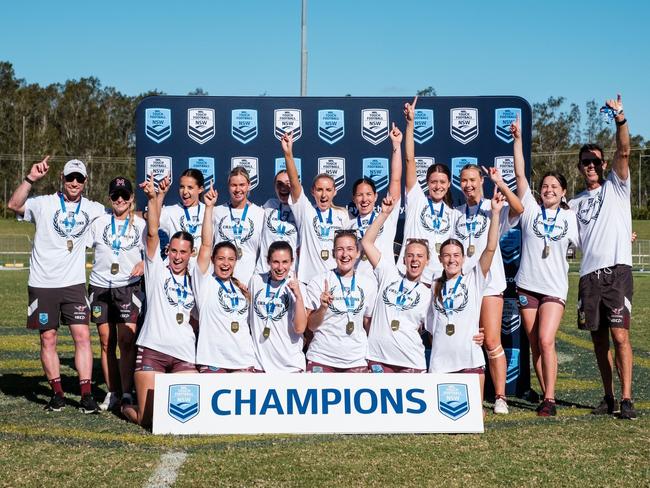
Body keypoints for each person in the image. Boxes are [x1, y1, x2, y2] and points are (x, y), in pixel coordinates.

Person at [8, 157, 105, 413]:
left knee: (82, 336)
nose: (74, 182)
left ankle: (85, 395)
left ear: (85, 182)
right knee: (48, 339)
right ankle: (58, 394)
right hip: (42, 284)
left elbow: (121, 214)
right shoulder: (44, 204)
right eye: (70, 177)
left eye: (79, 179)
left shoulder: (93, 209)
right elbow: (13, 204)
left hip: (73, 284)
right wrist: (30, 179)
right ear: (62, 179)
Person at [568, 94, 636, 420]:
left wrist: (619, 117)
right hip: (588, 276)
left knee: (620, 335)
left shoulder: (617, 186)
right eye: (585, 162)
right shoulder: (575, 203)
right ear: (580, 167)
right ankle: (608, 397)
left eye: (595, 161)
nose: (590, 166)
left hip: (617, 271)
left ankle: (626, 399)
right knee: (598, 342)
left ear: (604, 164)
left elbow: (625, 149)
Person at [510, 117, 579, 416]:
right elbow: (520, 174)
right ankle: (545, 394)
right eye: (545, 186)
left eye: (555, 186)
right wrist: (517, 140)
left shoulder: (571, 218)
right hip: (527, 284)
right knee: (535, 344)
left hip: (553, 288)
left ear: (564, 192)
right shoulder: (530, 211)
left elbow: (583, 245)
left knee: (546, 339)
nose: (549, 189)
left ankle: (549, 398)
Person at [122, 175, 197, 428]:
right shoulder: (157, 268)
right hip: (152, 351)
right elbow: (153, 232)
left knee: (186, 417)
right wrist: (153, 199)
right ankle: (127, 408)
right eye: (173, 250)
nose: (177, 256)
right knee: (150, 420)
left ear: (191, 254)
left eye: (183, 252)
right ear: (168, 251)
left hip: (184, 354)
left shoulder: (197, 277)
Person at [453, 163, 523, 414]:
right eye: (464, 180)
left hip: (490, 284)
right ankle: (473, 397)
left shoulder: (494, 207)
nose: (468, 185)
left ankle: (501, 397)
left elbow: (519, 208)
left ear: (481, 181)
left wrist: (501, 184)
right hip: (463, 286)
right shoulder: (456, 213)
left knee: (492, 341)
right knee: (468, 342)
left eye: (473, 180)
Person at [428, 190, 506, 401]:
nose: (452, 260)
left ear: (463, 259)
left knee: (474, 413)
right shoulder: (435, 284)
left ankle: (500, 397)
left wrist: (496, 214)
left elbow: (490, 249)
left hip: (469, 359)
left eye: (456, 256)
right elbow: (429, 324)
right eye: (447, 256)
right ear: (440, 259)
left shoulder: (473, 279)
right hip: (440, 363)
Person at [88, 177, 146, 411]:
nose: (119, 199)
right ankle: (112, 393)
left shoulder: (140, 225)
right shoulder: (99, 222)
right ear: (109, 198)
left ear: (131, 198)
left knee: (127, 341)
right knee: (106, 342)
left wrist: (143, 262)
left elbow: (155, 250)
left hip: (128, 287)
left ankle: (127, 393)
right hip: (100, 286)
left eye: (124, 195)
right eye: (115, 195)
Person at [360, 195, 431, 372]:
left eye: (420, 256)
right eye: (410, 255)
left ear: (427, 261)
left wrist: (472, 336)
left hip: (411, 362)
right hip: (378, 359)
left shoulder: (429, 294)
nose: (415, 260)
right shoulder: (389, 273)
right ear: (404, 259)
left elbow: (439, 330)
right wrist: (384, 214)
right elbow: (367, 243)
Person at [194, 183, 256, 373]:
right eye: (220, 258)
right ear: (212, 260)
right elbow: (205, 244)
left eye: (230, 259)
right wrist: (209, 208)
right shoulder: (204, 282)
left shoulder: (241, 288)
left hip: (243, 361)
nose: (225, 263)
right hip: (213, 360)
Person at [399, 96, 458, 284]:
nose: (438, 186)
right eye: (433, 182)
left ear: (449, 184)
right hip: (411, 277)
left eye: (442, 182)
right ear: (426, 183)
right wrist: (410, 124)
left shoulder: (454, 215)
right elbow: (409, 160)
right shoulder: (417, 199)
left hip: (440, 280)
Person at [305, 230, 378, 372]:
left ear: (358, 253)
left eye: (350, 249)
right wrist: (323, 308)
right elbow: (311, 326)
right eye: (340, 250)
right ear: (333, 253)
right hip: (322, 357)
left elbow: (368, 324)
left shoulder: (368, 284)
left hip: (356, 359)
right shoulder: (319, 281)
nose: (345, 255)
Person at [282, 131, 348, 284]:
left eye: (328, 190)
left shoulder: (343, 216)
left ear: (335, 192)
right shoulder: (306, 211)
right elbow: (294, 184)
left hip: (334, 282)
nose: (324, 195)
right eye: (319, 190)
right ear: (312, 191)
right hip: (308, 282)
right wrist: (288, 154)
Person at [347, 123, 403, 277]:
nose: (364, 199)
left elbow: (396, 179)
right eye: (359, 195)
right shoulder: (349, 225)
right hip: (359, 284)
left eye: (369, 194)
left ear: (376, 196)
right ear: (354, 198)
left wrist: (396, 145)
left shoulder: (387, 215)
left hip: (385, 280)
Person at [249, 241, 308, 372]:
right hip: (261, 366)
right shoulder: (256, 281)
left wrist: (298, 296)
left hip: (291, 367)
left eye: (285, 262)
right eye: (275, 262)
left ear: (292, 262)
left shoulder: (299, 287)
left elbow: (300, 328)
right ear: (268, 261)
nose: (280, 267)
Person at [212, 167, 264, 286]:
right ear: (228, 186)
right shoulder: (217, 212)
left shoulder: (260, 213)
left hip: (249, 281)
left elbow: (263, 252)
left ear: (249, 185)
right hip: (220, 281)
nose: (238, 189)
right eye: (234, 185)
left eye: (242, 185)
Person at [254, 170, 300, 275]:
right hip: (263, 273)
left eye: (288, 183)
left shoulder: (302, 210)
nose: (283, 187)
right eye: (279, 184)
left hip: (288, 274)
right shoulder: (269, 205)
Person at [159, 168, 205, 258]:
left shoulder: (209, 211)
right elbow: (153, 222)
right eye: (182, 187)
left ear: (200, 189)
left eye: (190, 187)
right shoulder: (170, 211)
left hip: (202, 269)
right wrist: (161, 195)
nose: (185, 192)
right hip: (177, 267)